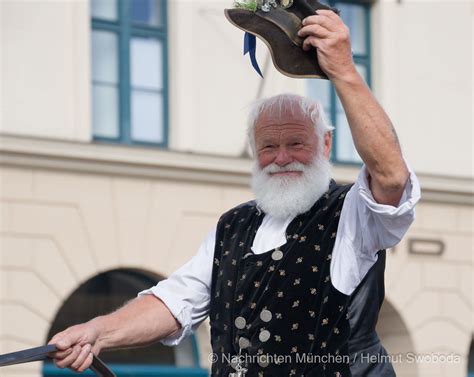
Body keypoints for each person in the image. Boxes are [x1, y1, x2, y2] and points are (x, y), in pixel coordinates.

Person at [49, 9, 420, 376]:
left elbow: (390, 176)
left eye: (296, 142)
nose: (282, 158)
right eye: (268, 147)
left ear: (325, 144)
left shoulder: (352, 215)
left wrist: (343, 70)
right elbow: (175, 302)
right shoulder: (233, 226)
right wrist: (98, 332)